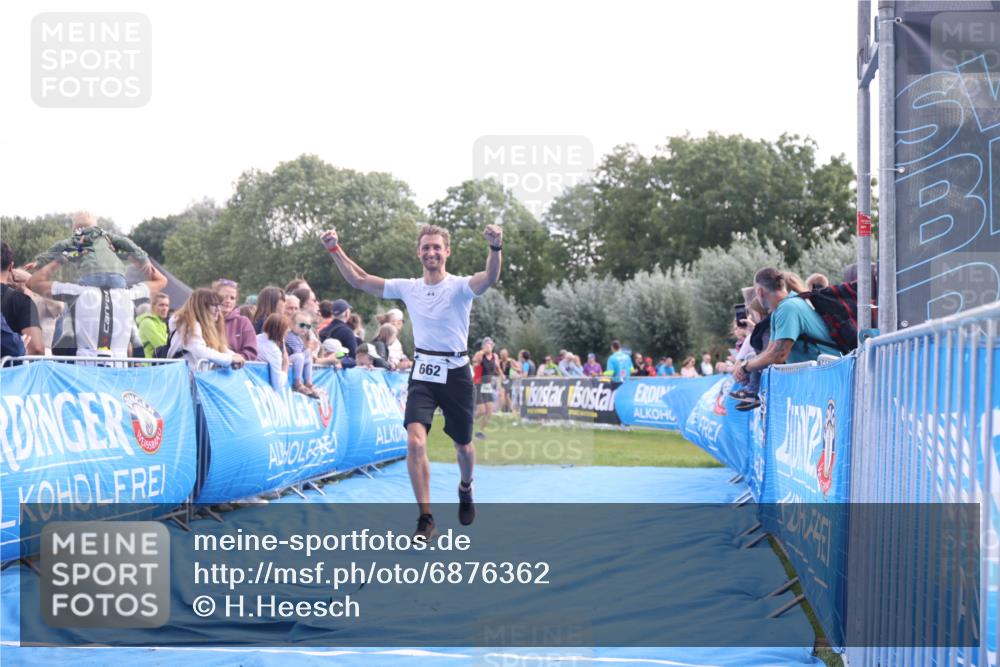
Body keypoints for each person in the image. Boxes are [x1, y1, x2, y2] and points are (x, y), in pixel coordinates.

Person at [321, 221, 502, 541]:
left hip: (456, 372)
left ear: (447, 252)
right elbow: (359, 279)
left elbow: (489, 277)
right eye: (426, 247)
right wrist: (334, 249)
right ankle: (426, 518)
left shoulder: (460, 286)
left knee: (463, 446)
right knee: (416, 442)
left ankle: (466, 486)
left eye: (437, 247)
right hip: (424, 372)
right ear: (418, 252)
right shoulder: (409, 287)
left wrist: (495, 247)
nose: (431, 252)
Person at [27, 255, 166, 359]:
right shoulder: (129, 294)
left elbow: (34, 283)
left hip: (84, 373)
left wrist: (62, 258)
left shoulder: (77, 291)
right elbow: (161, 280)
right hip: (117, 372)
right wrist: (133, 255)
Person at [734, 267, 841, 394]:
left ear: (760, 291)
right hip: (822, 377)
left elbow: (778, 355)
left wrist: (745, 367)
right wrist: (748, 368)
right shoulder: (781, 308)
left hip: (829, 378)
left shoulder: (788, 308)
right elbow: (770, 351)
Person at [32, 211, 149, 290]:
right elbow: (127, 243)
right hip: (117, 276)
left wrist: (40, 261)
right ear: (96, 226)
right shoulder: (107, 236)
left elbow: (60, 246)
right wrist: (143, 258)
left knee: (79, 302)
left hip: (91, 275)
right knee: (118, 303)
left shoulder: (78, 237)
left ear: (75, 228)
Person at [167, 288, 246, 371]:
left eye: (219, 305)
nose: (218, 309)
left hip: (191, 373)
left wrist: (234, 355)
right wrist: (230, 359)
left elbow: (218, 347)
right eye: (214, 305)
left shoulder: (200, 325)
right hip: (184, 375)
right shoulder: (190, 325)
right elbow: (200, 350)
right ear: (202, 306)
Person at [1, 242, 44, 359]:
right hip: (11, 370)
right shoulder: (23, 301)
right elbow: (36, 349)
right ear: (11, 266)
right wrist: (30, 280)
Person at [214, 278, 258, 361]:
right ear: (214, 297)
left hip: (236, 367)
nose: (228, 301)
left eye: (232, 298)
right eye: (224, 297)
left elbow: (251, 352)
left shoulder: (243, 322)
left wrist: (235, 360)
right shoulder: (206, 320)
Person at [285, 301, 320, 398]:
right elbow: (299, 353)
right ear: (292, 324)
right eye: (301, 325)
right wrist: (309, 349)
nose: (304, 328)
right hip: (286, 360)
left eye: (307, 326)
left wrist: (310, 352)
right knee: (300, 357)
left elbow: (305, 354)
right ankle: (297, 383)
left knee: (308, 358)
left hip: (293, 359)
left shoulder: (298, 337)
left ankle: (308, 383)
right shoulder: (290, 336)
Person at [472, 337, 499, 439]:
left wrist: (501, 374)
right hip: (478, 383)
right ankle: (467, 422)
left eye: (491, 344)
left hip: (487, 385)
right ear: (483, 346)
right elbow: (474, 362)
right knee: (481, 410)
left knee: (490, 410)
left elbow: (497, 367)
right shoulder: (480, 354)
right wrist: (483, 352)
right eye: (487, 344)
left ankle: (480, 432)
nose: (489, 346)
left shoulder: (495, 356)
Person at [256, 313, 290, 392]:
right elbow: (278, 384)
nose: (288, 332)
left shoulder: (255, 338)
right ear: (282, 331)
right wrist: (285, 366)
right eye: (287, 329)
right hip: (261, 389)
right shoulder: (274, 351)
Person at [137, 292, 170, 358]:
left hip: (158, 362)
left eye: (167, 305)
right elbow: (162, 345)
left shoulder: (161, 323)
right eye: (161, 305)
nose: (165, 309)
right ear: (153, 306)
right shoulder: (147, 322)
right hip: (150, 363)